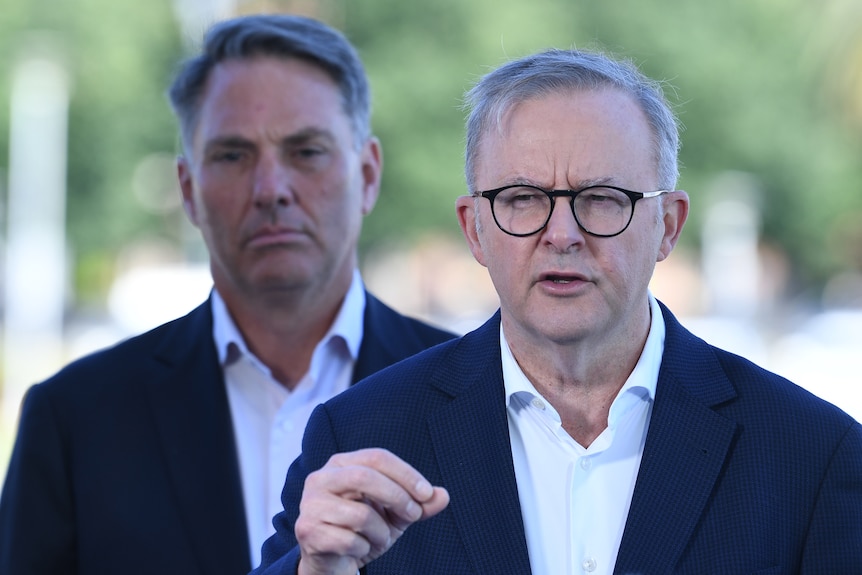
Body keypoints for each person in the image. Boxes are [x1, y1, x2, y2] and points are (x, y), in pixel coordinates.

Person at [251, 48, 862, 575]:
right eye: (522, 199)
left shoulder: (811, 453)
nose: (562, 233)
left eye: (602, 199)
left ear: (668, 226)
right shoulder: (360, 435)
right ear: (475, 230)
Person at [0, 14, 455, 575]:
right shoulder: (74, 420)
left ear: (367, 174)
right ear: (188, 190)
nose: (271, 189)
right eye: (233, 156)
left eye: (306, 150)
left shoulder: (475, 393)